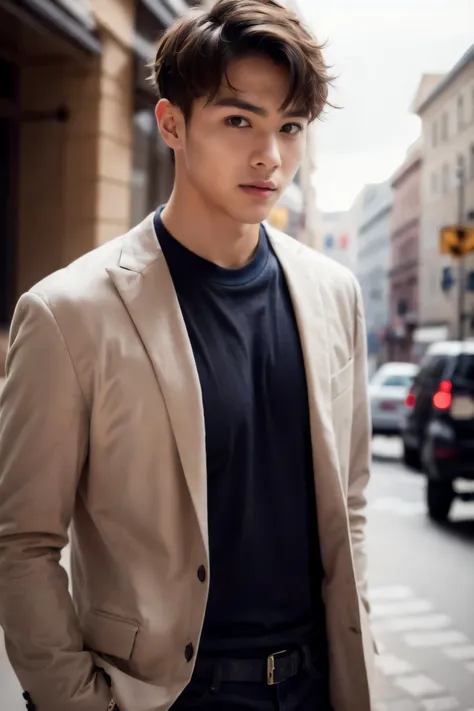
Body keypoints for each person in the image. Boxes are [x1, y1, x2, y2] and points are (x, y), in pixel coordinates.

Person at [0, 1, 376, 710]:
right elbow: (20, 542)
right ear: (171, 124)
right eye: (239, 121)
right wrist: (76, 700)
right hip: (165, 694)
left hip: (317, 685)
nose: (271, 155)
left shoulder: (336, 295)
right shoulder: (67, 313)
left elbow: (349, 504)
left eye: (289, 128)